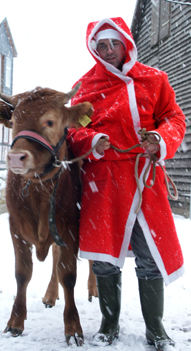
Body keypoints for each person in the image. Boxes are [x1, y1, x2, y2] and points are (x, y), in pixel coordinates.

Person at [67, 17, 186, 350]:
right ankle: (108, 323)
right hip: (103, 182)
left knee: (150, 254)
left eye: (114, 44)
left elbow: (174, 117)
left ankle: (156, 328)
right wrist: (93, 140)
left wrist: (160, 140)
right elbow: (71, 132)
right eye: (101, 46)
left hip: (143, 177)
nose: (108, 51)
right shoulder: (85, 87)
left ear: (126, 44)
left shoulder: (153, 80)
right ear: (94, 49)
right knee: (105, 258)